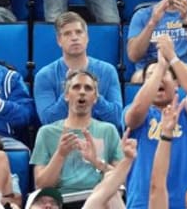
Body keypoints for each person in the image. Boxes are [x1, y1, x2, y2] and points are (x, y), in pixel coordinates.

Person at [124, 34, 187, 209]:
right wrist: (161, 67)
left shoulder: (186, 112)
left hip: (186, 203)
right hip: (142, 202)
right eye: (151, 76)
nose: (158, 78)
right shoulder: (136, 111)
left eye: (164, 75)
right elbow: (136, 113)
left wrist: (173, 57)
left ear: (177, 84)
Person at [29, 70, 122, 200]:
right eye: (76, 87)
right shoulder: (46, 132)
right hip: (61, 200)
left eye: (88, 88)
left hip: (98, 199)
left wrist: (96, 162)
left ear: (95, 98)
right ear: (66, 95)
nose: (82, 92)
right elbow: (41, 185)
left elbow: (121, 181)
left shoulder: (108, 130)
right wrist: (60, 154)